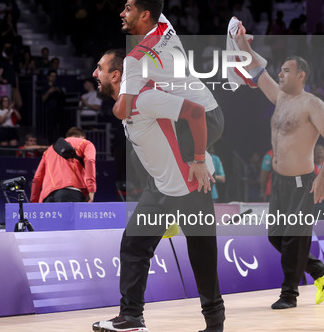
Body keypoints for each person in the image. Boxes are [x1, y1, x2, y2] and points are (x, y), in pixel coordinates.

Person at [91, 49, 224, 332]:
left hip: (188, 185)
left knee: (202, 254)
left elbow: (196, 112)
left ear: (116, 75)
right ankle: (131, 318)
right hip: (160, 188)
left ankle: (214, 324)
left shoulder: (146, 97)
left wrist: (200, 160)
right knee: (133, 245)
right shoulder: (127, 105)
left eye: (99, 68)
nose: (94, 74)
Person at [233, 19, 324, 310]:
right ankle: (320, 271)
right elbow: (257, 70)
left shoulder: (313, 104)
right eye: (280, 69)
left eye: (286, 70)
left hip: (302, 183)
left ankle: (289, 294)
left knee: (293, 239)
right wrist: (242, 42)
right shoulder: (279, 98)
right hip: (279, 183)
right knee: (276, 237)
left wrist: (323, 177)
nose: (280, 73)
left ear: (301, 75)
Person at [84, 0, 224, 164]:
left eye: (128, 9)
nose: (121, 13)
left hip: (199, 117)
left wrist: (116, 95)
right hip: (207, 108)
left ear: (144, 15)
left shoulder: (135, 59)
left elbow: (122, 111)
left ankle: (205, 168)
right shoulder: (162, 26)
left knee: (181, 175)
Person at [30, 127, 96, 203]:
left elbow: (37, 178)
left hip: (47, 197)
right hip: (71, 192)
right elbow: (90, 160)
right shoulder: (86, 143)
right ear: (83, 137)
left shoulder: (48, 150)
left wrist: (33, 202)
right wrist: (91, 190)